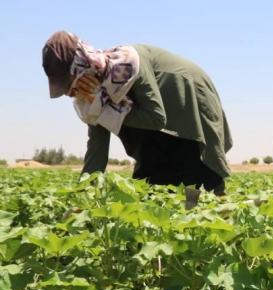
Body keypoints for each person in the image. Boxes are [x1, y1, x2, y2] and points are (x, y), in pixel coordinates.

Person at [42, 31, 233, 196]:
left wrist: (105, 108)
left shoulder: (127, 64)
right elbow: (97, 149)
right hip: (151, 118)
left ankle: (214, 215)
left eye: (68, 84)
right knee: (153, 177)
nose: (69, 93)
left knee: (194, 168)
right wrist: (83, 194)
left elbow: (156, 118)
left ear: (82, 67)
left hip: (184, 92)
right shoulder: (92, 97)